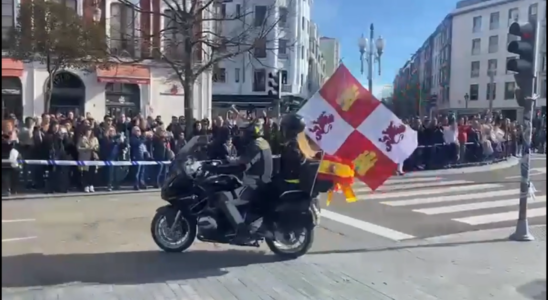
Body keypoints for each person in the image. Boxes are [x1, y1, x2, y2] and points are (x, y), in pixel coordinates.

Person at [210, 119, 272, 243]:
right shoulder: (262, 142)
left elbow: (244, 164)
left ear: (251, 133)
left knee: (225, 201)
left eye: (244, 132)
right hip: (260, 182)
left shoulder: (255, 145)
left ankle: (242, 231)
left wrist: (225, 165)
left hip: (254, 184)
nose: (242, 135)